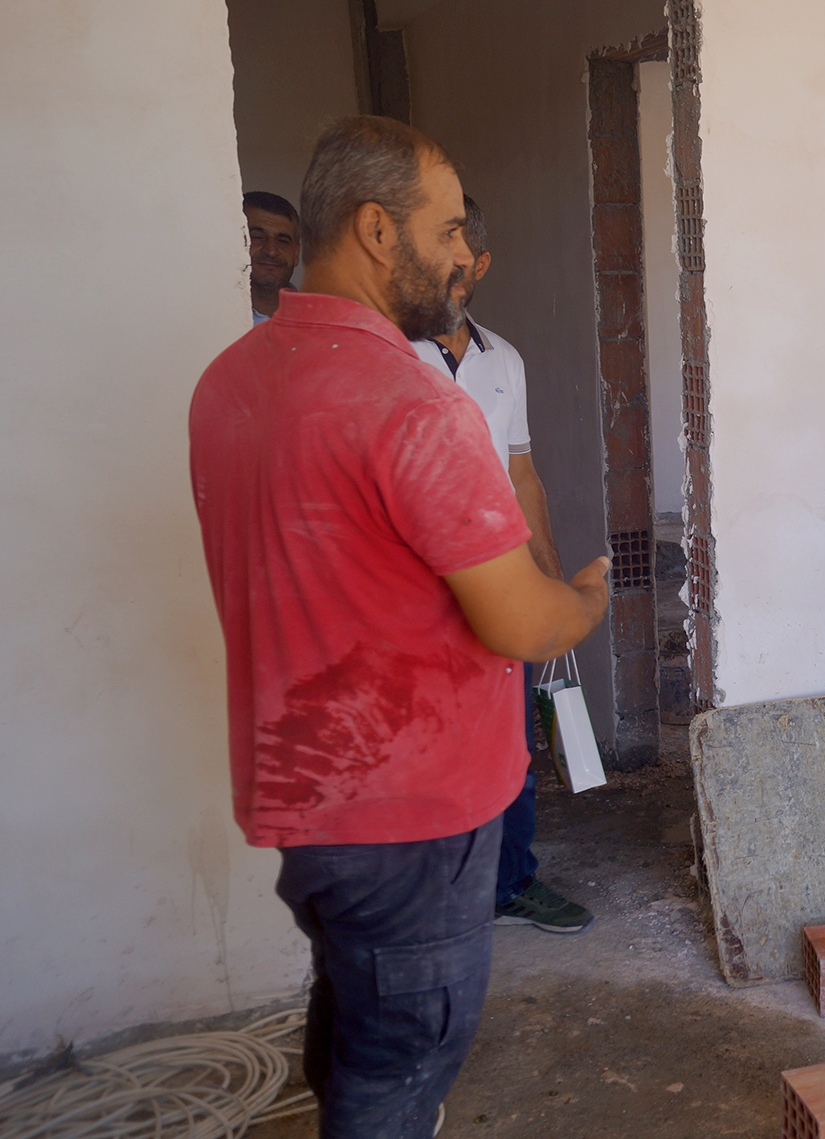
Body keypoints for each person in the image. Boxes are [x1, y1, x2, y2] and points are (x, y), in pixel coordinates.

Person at [189, 116, 611, 1138]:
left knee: (354, 1023)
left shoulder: (232, 378)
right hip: (409, 809)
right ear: (378, 231)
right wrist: (587, 598)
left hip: (307, 797)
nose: (464, 253)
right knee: (403, 1060)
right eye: (449, 228)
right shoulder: (410, 402)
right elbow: (521, 622)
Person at [410, 194, 591, 935]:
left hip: (500, 580)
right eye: (432, 255)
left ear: (479, 265)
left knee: (508, 742)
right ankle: (428, 898)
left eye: (458, 258)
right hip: (412, 588)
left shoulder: (503, 360)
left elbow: (521, 474)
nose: (444, 273)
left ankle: (510, 883)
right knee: (422, 742)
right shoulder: (387, 355)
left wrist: (550, 578)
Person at [243, 190, 299, 323]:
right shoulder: (209, 318)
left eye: (282, 241)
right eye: (257, 237)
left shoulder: (318, 320)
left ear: (296, 254)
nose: (271, 251)